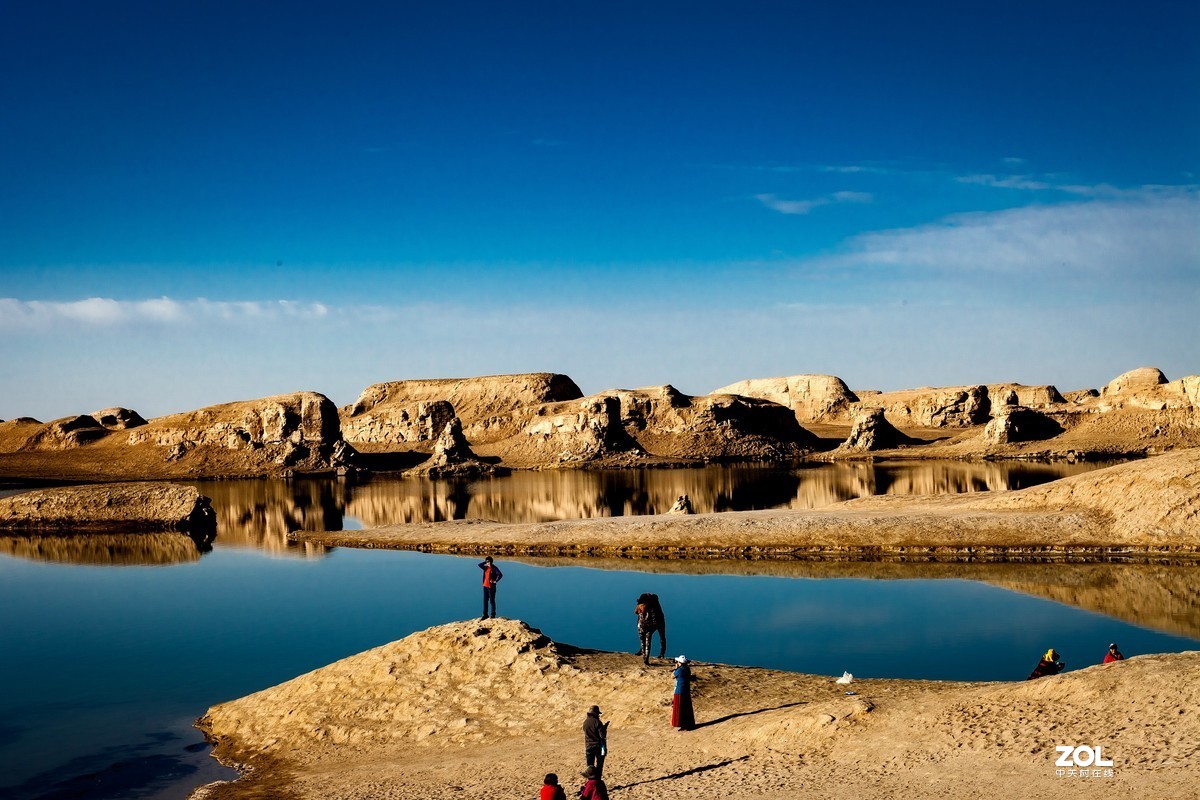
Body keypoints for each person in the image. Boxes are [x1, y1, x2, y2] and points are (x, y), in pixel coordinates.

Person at [634, 593, 667, 665]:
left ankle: (661, 653)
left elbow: (638, 613)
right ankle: (661, 653)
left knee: (650, 638)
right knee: (661, 637)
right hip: (655, 622)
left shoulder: (651, 607)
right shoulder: (652, 605)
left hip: (656, 623)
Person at [582, 705, 608, 776]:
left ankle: (590, 781)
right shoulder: (597, 722)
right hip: (598, 746)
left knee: (590, 767)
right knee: (599, 765)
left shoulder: (585, 722)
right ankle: (598, 781)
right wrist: (604, 729)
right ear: (595, 713)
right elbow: (602, 736)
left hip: (588, 746)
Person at [671, 655, 695, 730]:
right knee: (686, 707)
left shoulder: (679, 670)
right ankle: (687, 724)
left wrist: (676, 668)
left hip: (679, 691)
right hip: (686, 690)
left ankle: (680, 723)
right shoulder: (687, 669)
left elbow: (672, 676)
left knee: (679, 708)